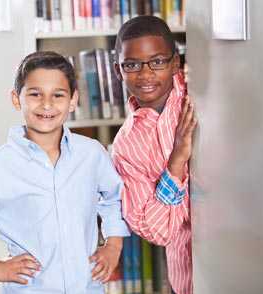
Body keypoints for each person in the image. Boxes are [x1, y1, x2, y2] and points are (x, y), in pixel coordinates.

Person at [0, 51, 130, 293]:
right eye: (35, 94)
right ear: (16, 99)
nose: (47, 104)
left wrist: (113, 244)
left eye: (58, 95)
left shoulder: (91, 155)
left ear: (73, 100)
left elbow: (115, 197)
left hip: (87, 287)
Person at [111, 16, 197, 294]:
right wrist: (176, 162)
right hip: (188, 278)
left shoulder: (197, 95)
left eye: (158, 61)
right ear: (118, 70)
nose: (145, 74)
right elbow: (157, 231)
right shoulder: (125, 147)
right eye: (132, 65)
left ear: (175, 63)